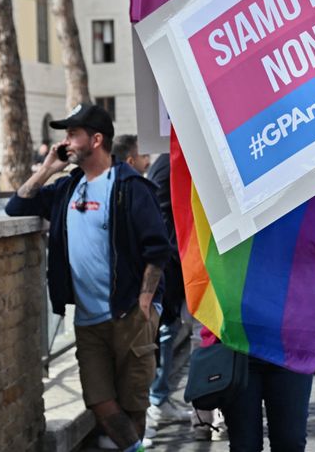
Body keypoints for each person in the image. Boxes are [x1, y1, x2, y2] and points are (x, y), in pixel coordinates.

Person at [5, 103, 171, 452]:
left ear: (96, 140)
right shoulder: (67, 188)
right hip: (88, 319)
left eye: (72, 135)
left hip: (130, 313)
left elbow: (158, 249)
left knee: (133, 403)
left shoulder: (130, 186)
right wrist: (47, 169)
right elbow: (16, 207)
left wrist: (144, 301)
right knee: (98, 400)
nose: (65, 141)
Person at [138, 150, 194, 432]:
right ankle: (154, 403)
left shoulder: (172, 160)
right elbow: (163, 217)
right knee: (164, 333)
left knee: (171, 332)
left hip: (177, 263)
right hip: (171, 265)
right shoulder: (167, 163)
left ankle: (159, 400)